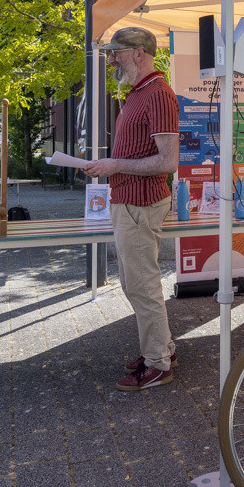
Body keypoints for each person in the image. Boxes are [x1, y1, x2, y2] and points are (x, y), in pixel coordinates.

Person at [83, 27, 180, 390]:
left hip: (141, 203)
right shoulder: (139, 92)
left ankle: (159, 363)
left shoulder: (157, 94)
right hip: (128, 201)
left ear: (139, 52)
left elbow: (168, 162)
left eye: (116, 53)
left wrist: (115, 165)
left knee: (142, 285)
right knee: (134, 283)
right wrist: (113, 165)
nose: (110, 60)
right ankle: (161, 349)